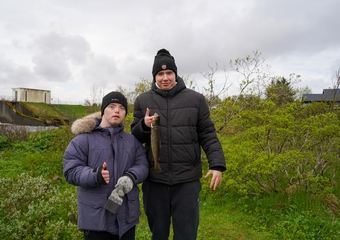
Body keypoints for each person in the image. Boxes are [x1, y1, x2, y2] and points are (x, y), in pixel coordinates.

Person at [131, 49, 226, 240]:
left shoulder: (195, 99)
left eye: (169, 73)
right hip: (155, 181)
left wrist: (216, 165)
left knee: (186, 234)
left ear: (175, 74)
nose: (165, 78)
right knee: (158, 234)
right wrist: (144, 125)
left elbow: (208, 134)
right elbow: (135, 136)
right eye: (160, 74)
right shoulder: (143, 101)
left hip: (187, 181)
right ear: (154, 76)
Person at [63, 91, 149, 240]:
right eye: (112, 106)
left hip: (126, 218)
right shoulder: (82, 140)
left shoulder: (132, 141)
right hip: (95, 219)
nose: (117, 111)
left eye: (122, 108)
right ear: (103, 111)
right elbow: (71, 170)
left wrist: (131, 176)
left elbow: (143, 165)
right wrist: (94, 175)